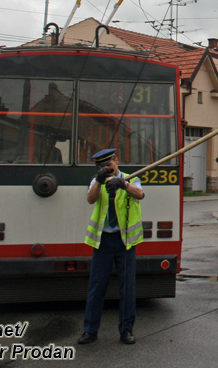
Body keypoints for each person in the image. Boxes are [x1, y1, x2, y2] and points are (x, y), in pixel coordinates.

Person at [77, 148, 144, 346]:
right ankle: (90, 331)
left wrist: (123, 184)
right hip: (103, 241)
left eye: (109, 165)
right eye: (103, 167)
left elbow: (140, 194)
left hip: (125, 242)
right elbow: (91, 199)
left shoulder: (130, 178)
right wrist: (99, 181)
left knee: (127, 289)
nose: (107, 169)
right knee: (97, 288)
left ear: (116, 160)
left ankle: (126, 331)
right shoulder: (97, 179)